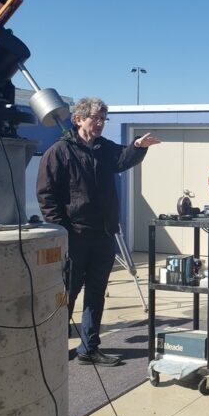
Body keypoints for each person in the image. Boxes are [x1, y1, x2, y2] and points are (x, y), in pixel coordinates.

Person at [37, 97, 160, 366]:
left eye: (104, 119)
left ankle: (89, 349)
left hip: (104, 235)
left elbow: (121, 160)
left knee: (96, 294)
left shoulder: (104, 148)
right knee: (67, 294)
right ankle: (53, 351)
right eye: (95, 118)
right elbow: (46, 195)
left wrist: (137, 146)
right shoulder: (60, 152)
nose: (100, 123)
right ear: (78, 119)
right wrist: (62, 230)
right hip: (75, 237)